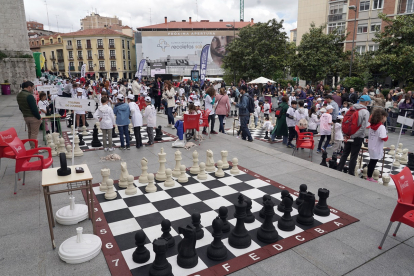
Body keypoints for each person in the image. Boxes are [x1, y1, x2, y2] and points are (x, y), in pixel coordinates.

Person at [337, 95, 371, 175]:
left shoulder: (351, 109)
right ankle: (351, 173)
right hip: (357, 137)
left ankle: (339, 169)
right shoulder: (365, 112)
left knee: (345, 154)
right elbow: (363, 128)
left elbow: (345, 122)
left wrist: (346, 134)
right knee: (354, 156)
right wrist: (353, 136)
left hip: (347, 135)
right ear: (366, 102)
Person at [17, 81, 42, 148]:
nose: (33, 90)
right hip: (33, 117)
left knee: (30, 132)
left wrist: (25, 113)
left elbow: (20, 107)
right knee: (34, 133)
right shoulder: (29, 96)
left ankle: (32, 146)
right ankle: (34, 148)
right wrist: (39, 117)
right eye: (32, 88)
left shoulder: (19, 95)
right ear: (29, 87)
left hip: (26, 116)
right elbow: (34, 108)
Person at [367, 109, 388, 182]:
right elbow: (384, 138)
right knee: (373, 162)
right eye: (385, 117)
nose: (386, 119)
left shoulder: (371, 125)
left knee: (371, 161)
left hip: (371, 145)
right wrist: (387, 136)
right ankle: (369, 177)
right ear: (382, 117)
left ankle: (369, 175)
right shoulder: (381, 127)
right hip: (377, 147)